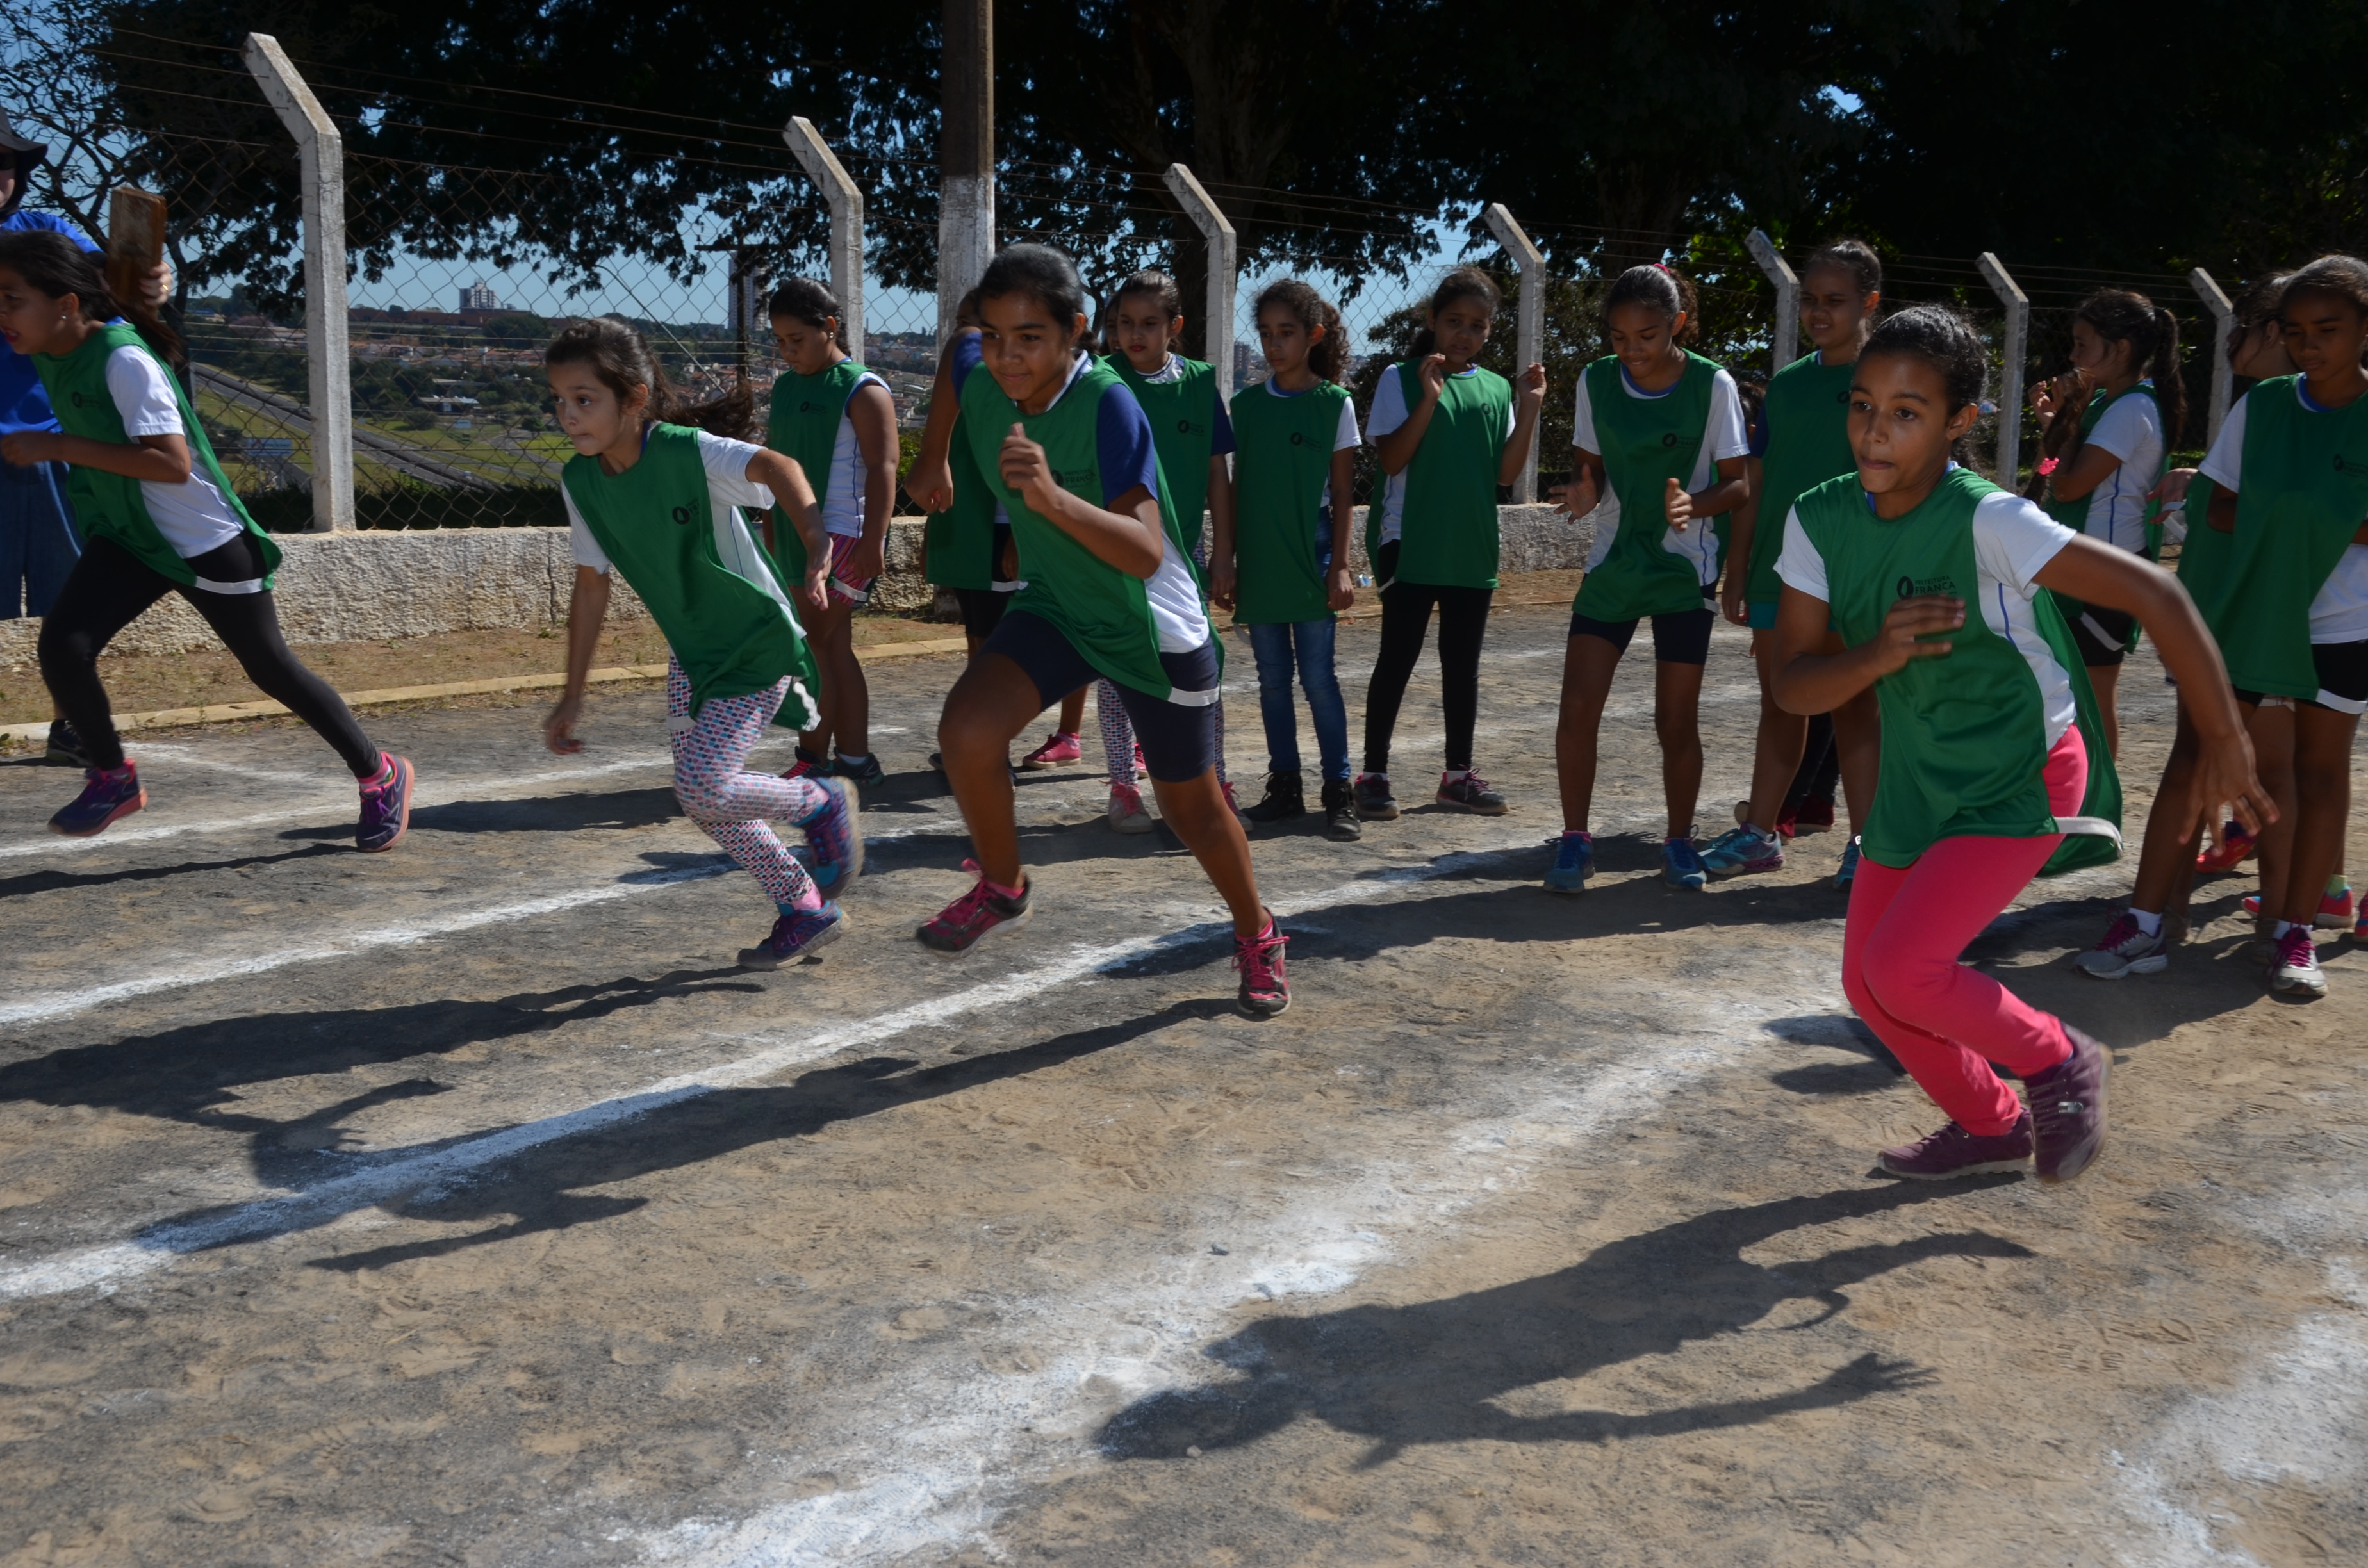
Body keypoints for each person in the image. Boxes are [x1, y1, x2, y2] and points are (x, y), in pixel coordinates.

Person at [1768, 304, 2270, 1181]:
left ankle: (2057, 1058)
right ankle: (1989, 1120)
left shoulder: (1992, 521)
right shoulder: (1818, 520)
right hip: (1921, 781)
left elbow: (2160, 595)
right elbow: (1793, 683)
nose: (1875, 433)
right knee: (1870, 985)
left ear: (1961, 421)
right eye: (1862, 406)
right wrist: (1877, 652)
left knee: (1907, 968)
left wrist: (2226, 735)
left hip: (2022, 776)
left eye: (1908, 412)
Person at [924, 243, 1288, 1017]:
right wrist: (935, 458)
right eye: (995, 335)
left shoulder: (1109, 403)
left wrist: (1054, 501)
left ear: (1075, 333)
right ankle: (1004, 883)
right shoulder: (976, 365)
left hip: (1145, 623)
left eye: (1029, 338)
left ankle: (1257, 931)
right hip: (1058, 602)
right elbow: (955, 373)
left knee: (1188, 810)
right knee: (967, 733)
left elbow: (1146, 547)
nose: (1006, 356)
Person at [0, 230, 414, 847]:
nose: (1, 315)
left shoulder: (122, 358)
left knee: (270, 669)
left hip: (202, 539)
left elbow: (172, 462)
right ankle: (113, 776)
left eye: (11, 299)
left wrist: (53, 446)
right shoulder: (52, 351)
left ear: (64, 305)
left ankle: (380, 774)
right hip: (132, 536)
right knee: (63, 644)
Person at [539, 316, 862, 970]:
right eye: (559, 401)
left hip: (753, 639)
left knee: (703, 785)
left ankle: (819, 802)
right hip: (693, 652)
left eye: (584, 399)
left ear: (632, 398)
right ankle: (804, 906)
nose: (568, 416)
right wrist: (572, 695)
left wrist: (814, 536)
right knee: (704, 801)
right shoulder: (582, 482)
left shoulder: (688, 453)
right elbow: (591, 587)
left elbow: (779, 466)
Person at [2076, 274, 2301, 979]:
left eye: (2246, 326)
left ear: (2276, 335)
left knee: (2258, 764)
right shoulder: (2258, 410)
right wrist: (2200, 479)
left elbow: (2258, 509)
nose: (2231, 340)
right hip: (2217, 606)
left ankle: (2276, 910)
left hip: (2253, 613)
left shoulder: (2295, 409)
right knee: (2215, 760)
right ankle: (2166, 911)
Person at [2169, 257, 2368, 997]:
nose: (2310, 344)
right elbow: (2220, 507)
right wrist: (2320, 512)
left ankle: (2296, 934)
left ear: (2365, 331)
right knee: (2245, 769)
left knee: (2320, 777)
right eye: (2296, 332)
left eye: (2329, 330)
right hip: (2262, 618)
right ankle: (2172, 913)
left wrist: (2294, 510)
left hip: (2346, 625)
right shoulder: (2264, 408)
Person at [1545, 263, 1749, 892]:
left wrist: (1697, 505)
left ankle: (1680, 841)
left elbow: (1740, 483)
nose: (1632, 351)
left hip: (1683, 569)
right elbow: (1590, 472)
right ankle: (1575, 841)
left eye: (1648, 336)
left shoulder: (1713, 385)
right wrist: (1583, 493)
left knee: (1675, 720)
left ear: (1678, 325)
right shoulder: (1596, 381)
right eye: (1619, 338)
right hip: (1614, 563)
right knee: (1578, 706)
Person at [1710, 240, 1886, 888]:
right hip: (1778, 575)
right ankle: (1759, 834)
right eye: (1810, 299)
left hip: (1852, 574)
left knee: (1855, 708)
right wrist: (1740, 566)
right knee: (1782, 704)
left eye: (1835, 301)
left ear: (1869, 303)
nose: (1819, 312)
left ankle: (1867, 847)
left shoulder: (1887, 379)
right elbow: (1757, 484)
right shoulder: (1784, 386)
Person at [0, 112, 170, 766]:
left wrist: (151, 285)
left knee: (69, 598)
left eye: (6, 163)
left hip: (50, 444)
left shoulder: (44, 236)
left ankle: (71, 723)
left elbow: (116, 286)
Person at [1357, 266, 1547, 822]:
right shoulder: (1401, 377)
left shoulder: (1493, 389)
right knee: (1397, 658)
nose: (1464, 335)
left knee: (1461, 666)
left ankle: (1458, 777)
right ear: (1433, 322)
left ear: (1491, 332)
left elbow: (1506, 474)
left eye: (1478, 326)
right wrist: (1429, 395)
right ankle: (1373, 775)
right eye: (1454, 322)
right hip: (1409, 544)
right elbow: (1392, 460)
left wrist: (1530, 404)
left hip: (1471, 549)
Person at [1087, 270, 1241, 825]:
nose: (1135, 334)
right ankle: (1123, 786)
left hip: (1185, 558)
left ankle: (1215, 781)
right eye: (1124, 323)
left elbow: (1216, 475)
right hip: (1117, 550)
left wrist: (1223, 554)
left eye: (1149, 324)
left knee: (1203, 674)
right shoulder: (1102, 379)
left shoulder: (1200, 382)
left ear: (1174, 327)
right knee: (1116, 671)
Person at [1212, 278, 1361, 842]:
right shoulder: (1245, 407)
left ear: (1314, 336)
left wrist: (1340, 564)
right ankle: (1285, 786)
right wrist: (1225, 559)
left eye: (1287, 334)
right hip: (1260, 558)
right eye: (1267, 334)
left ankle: (1338, 790)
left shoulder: (1334, 404)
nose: (1275, 345)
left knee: (1318, 679)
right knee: (1272, 680)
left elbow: (1344, 493)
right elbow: (1226, 488)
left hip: (1314, 553)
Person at [2027, 289, 2183, 758]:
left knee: (2092, 701)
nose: (2072, 357)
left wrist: (2064, 424)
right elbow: (2049, 473)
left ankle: (2102, 806)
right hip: (2086, 568)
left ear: (2119, 350)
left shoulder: (2131, 409)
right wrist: (2054, 423)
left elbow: (2070, 487)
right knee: (2071, 695)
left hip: (2110, 572)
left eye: (2081, 345)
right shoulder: (2104, 403)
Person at [763, 277, 897, 787]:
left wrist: (874, 542)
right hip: (795, 537)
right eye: (779, 341)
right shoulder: (784, 388)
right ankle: (857, 762)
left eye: (797, 340)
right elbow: (775, 466)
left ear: (831, 329)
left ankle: (813, 759)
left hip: (844, 539)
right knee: (833, 647)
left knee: (813, 648)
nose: (787, 351)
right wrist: (773, 528)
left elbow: (885, 467)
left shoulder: (863, 390)